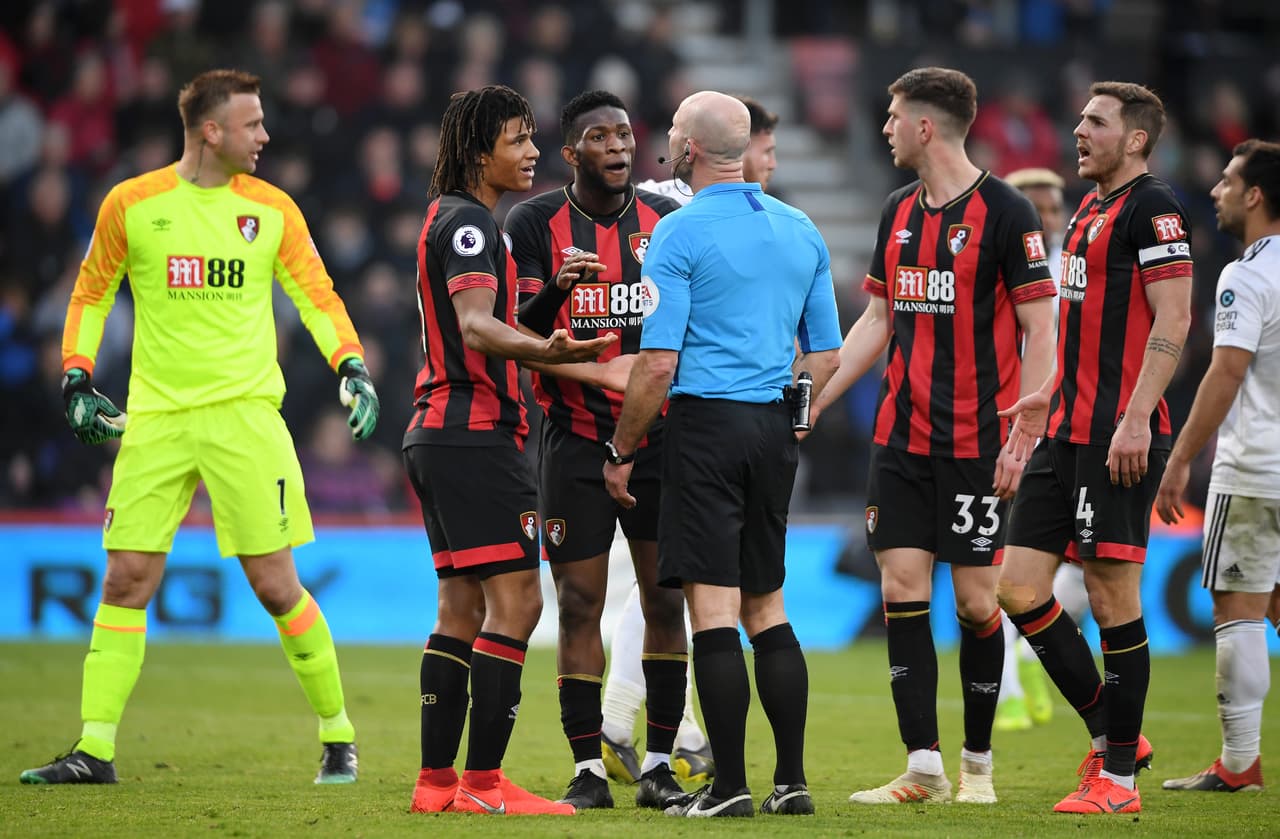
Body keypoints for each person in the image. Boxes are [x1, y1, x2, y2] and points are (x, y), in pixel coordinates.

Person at [20, 69, 379, 786]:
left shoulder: (271, 208)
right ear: (211, 131)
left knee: (277, 585)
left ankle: (338, 735)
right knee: (125, 578)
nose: (266, 136)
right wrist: (77, 373)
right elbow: (91, 291)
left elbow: (316, 294)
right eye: (253, 124)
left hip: (245, 416)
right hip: (155, 417)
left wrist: (351, 364)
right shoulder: (134, 203)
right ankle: (94, 750)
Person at [806, 67, 1058, 806]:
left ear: (924, 126)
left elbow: (1041, 326)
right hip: (902, 439)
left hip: (981, 440)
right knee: (901, 588)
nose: (882, 127)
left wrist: (1026, 424)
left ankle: (978, 765)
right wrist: (819, 393)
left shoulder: (1008, 213)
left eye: (891, 116)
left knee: (979, 602)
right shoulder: (897, 211)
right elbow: (879, 319)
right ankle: (923, 764)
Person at [604, 90, 842, 818]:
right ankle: (792, 781)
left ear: (692, 150)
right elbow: (826, 353)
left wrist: (621, 448)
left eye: (675, 132)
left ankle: (730, 786)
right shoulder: (801, 228)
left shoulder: (677, 234)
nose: (668, 141)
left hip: (704, 428)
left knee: (712, 611)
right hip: (772, 428)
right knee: (767, 606)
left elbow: (656, 366)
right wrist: (791, 414)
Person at [403, 84, 615, 818]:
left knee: (459, 606)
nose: (531, 154)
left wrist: (549, 299)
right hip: (476, 436)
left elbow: (500, 321)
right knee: (519, 604)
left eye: (531, 139)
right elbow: (478, 329)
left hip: (438, 432)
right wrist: (548, 347)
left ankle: (436, 783)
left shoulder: (452, 218)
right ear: (477, 150)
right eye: (518, 140)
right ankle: (486, 785)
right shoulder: (471, 227)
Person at [997, 81, 1194, 814]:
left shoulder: (1155, 208)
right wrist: (1044, 394)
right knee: (1016, 587)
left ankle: (1118, 782)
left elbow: (1175, 316)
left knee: (1112, 595)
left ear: (1136, 139)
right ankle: (1116, 733)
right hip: (1065, 428)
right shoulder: (1089, 207)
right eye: (1080, 117)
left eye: (1095, 121)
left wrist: (1139, 417)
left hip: (1119, 432)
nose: (1078, 129)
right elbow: (1078, 326)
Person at [505, 89, 690, 812]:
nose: (617, 146)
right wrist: (557, 289)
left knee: (663, 597)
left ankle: (661, 763)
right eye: (600, 136)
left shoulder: (665, 224)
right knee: (578, 602)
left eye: (624, 134)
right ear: (571, 152)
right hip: (573, 440)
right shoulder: (534, 222)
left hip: (658, 436)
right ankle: (587, 767)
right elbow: (519, 331)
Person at [600, 94, 780, 786]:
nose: (771, 165)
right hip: (668, 417)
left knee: (654, 588)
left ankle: (646, 725)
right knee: (666, 592)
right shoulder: (672, 215)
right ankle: (637, 726)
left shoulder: (664, 208)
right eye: (768, 151)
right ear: (735, 147)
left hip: (668, 416)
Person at [1157, 139, 1280, 794]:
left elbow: (1227, 370)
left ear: (1255, 195)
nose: (1216, 190)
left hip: (1258, 465)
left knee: (1237, 609)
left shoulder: (1247, 273)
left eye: (1228, 181)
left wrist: (1179, 458)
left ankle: (1238, 762)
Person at [994, 167, 1079, 733]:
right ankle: (1008, 690)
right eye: (1034, 205)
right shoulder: (1003, 264)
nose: (1045, 216)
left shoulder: (1077, 264)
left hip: (1072, 423)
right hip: (1012, 418)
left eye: (1052, 207)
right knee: (1000, 558)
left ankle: (1029, 652)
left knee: (1076, 570)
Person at [635, 94, 777, 205]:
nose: (772, 164)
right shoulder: (653, 201)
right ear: (742, 146)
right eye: (767, 152)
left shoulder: (773, 211)